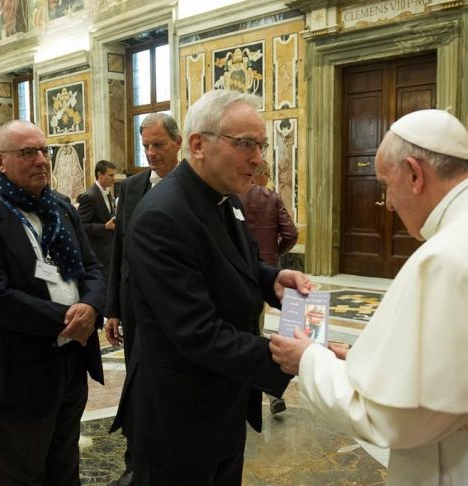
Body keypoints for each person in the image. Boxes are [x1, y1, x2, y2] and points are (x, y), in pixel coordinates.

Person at [111, 89, 314, 486]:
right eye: (245, 145)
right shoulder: (163, 216)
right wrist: (292, 357)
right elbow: (196, 332)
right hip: (179, 415)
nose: (257, 157)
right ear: (198, 144)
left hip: (223, 401)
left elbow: (236, 262)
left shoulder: (225, 198)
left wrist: (273, 279)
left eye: (261, 145)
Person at [270, 109, 468, 485]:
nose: (389, 204)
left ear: (414, 173)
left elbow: (392, 420)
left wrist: (309, 360)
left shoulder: (442, 259)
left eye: (385, 185)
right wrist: (360, 359)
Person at [0, 119, 106, 486]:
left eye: (44, 150)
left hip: (72, 360)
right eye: (27, 152)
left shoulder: (60, 208)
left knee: (65, 466)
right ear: (0, 161)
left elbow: (92, 268)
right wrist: (70, 318)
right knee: (23, 473)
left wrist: (92, 307)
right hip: (18, 370)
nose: (41, 160)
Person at [104, 112, 182, 486]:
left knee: (169, 384)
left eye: (159, 145)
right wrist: (113, 309)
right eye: (146, 145)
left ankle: (168, 454)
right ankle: (135, 457)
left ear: (179, 143)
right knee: (137, 383)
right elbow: (118, 251)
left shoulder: (194, 185)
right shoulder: (132, 188)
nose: (151, 153)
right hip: (134, 307)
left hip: (177, 310)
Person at [238, 160, 298, 414]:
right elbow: (291, 233)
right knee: (255, 328)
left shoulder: (230, 196)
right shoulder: (270, 197)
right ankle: (270, 391)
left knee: (244, 330)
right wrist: (274, 255)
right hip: (266, 272)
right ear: (261, 175)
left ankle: (258, 391)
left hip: (236, 269)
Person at [78, 160, 116, 275]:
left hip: (109, 250)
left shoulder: (107, 192)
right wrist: (104, 227)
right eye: (110, 175)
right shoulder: (90, 196)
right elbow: (81, 226)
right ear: (100, 175)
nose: (114, 178)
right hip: (98, 253)